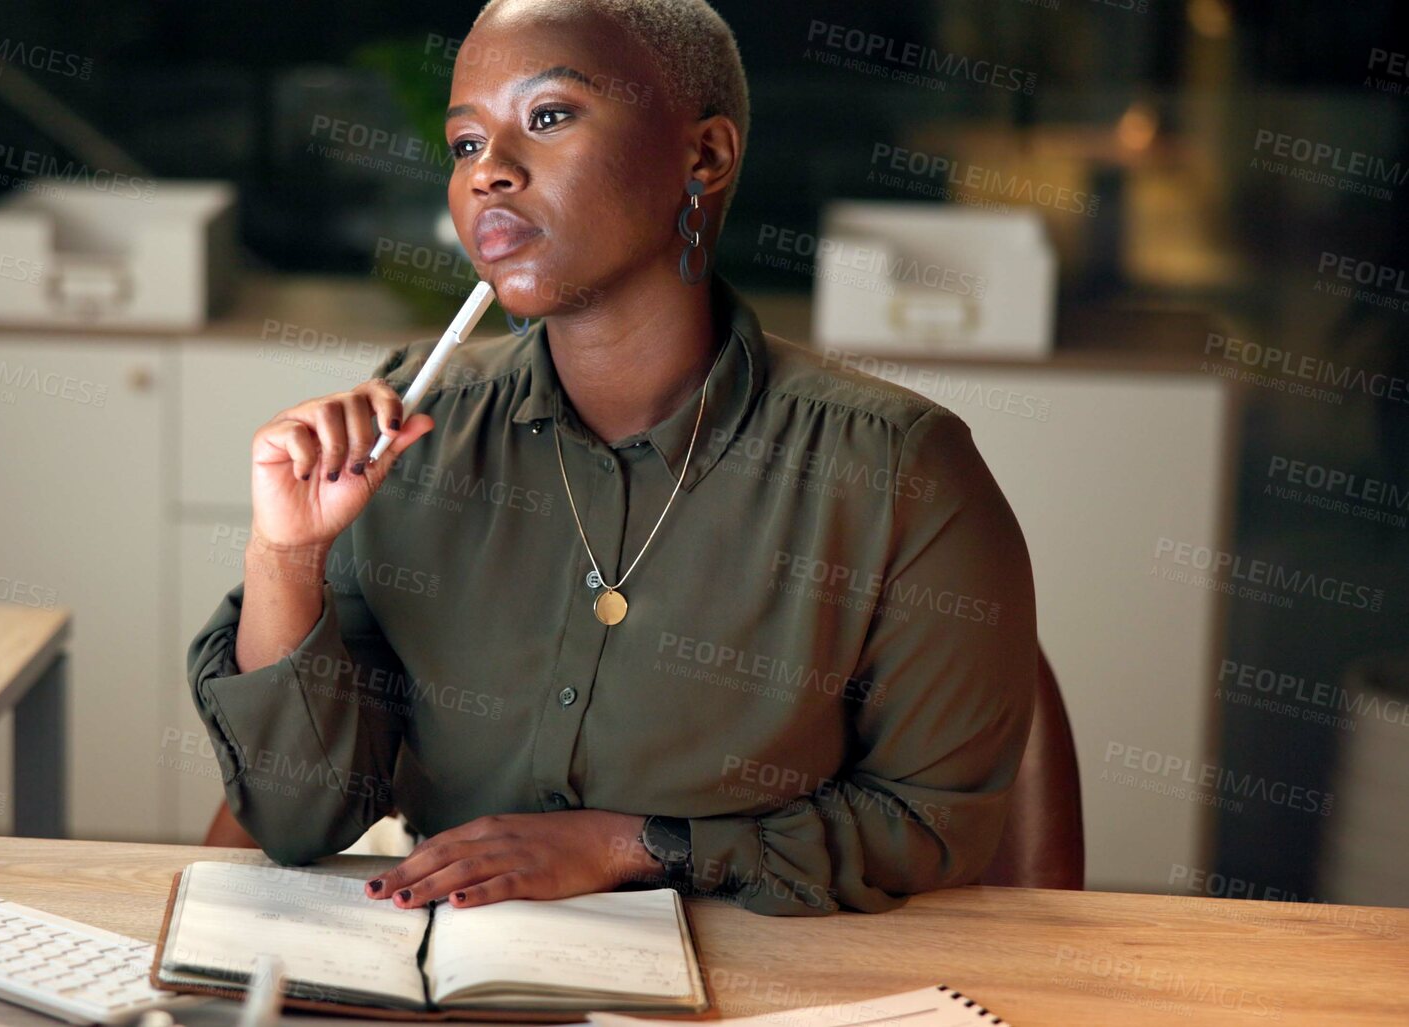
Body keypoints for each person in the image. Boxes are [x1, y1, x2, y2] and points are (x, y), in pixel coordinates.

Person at [186, 0, 1035, 917]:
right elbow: (295, 815)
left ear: (702, 157)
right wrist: (287, 556)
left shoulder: (898, 467)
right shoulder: (414, 430)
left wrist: (630, 845)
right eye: (465, 143)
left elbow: (933, 828)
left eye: (547, 118)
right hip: (451, 971)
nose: (489, 175)